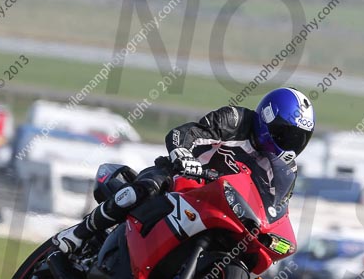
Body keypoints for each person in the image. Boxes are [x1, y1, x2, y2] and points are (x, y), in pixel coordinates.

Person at [53, 87, 316, 253]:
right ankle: (78, 233)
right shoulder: (236, 120)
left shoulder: (285, 169)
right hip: (184, 179)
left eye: (299, 139)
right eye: (286, 134)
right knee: (146, 189)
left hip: (221, 207)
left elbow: (276, 207)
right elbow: (188, 133)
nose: (290, 144)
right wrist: (183, 154)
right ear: (267, 117)